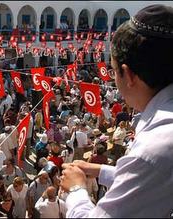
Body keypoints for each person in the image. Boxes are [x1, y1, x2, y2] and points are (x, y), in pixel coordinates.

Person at [60, 5, 173, 217]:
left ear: (127, 74)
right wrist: (101, 172)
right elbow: (156, 177)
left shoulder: (154, 146)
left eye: (113, 71)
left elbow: (149, 165)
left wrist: (76, 190)